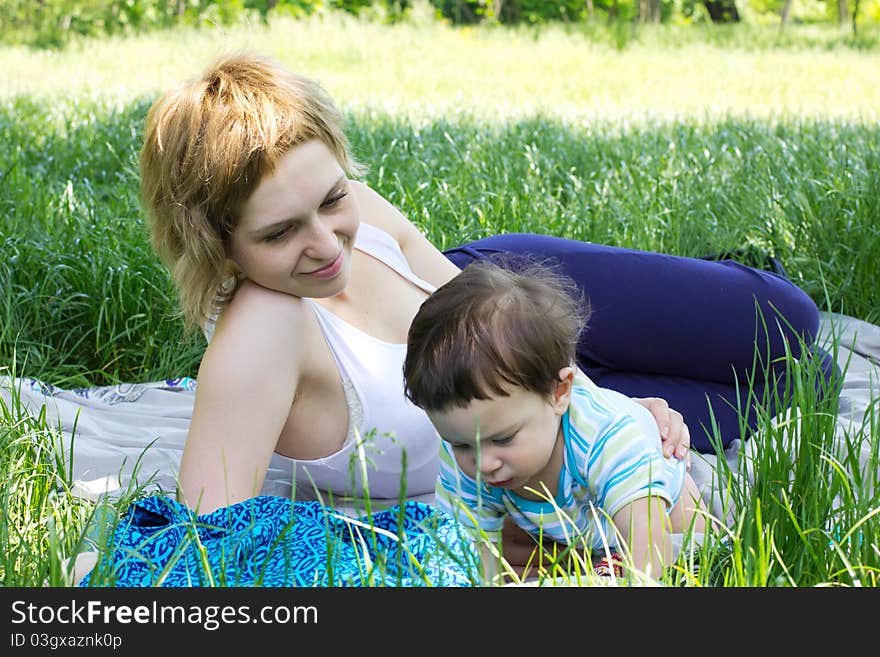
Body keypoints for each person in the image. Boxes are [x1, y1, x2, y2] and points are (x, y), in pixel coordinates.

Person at [139, 52, 826, 543]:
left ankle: (720, 274)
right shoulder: (261, 332)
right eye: (281, 232)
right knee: (799, 382)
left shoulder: (357, 219)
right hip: (525, 422)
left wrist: (599, 405)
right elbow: (199, 545)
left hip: (512, 298)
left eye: (332, 199)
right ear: (216, 244)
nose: (327, 245)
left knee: (788, 319)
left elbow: (462, 290)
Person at [403, 258, 707, 581]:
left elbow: (649, 559)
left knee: (696, 556)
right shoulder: (467, 458)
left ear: (559, 392)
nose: (483, 463)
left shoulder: (606, 438)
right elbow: (473, 556)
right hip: (583, 536)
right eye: (461, 444)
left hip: (661, 509)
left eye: (503, 438)